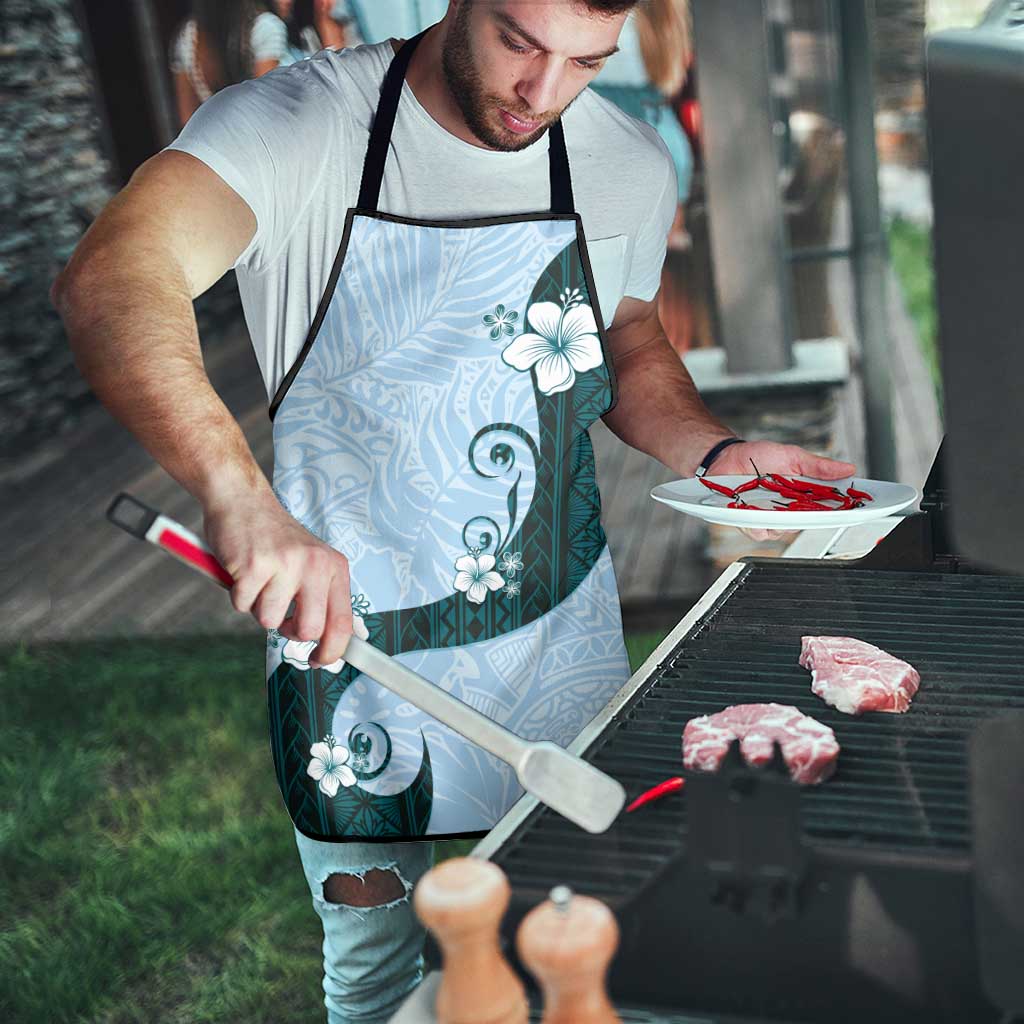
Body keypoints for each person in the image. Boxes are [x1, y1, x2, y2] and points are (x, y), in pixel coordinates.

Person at [52, 2, 856, 1020]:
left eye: (585, 62)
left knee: (582, 945)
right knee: (379, 976)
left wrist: (717, 449)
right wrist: (237, 495)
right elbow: (113, 275)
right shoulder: (298, 125)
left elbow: (626, 335)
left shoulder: (623, 159)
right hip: (352, 653)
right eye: (521, 42)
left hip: (551, 632)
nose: (543, 93)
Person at [169, 0, 289, 127]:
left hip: (215, 140)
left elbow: (187, 120)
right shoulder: (266, 27)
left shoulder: (188, 37)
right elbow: (266, 107)